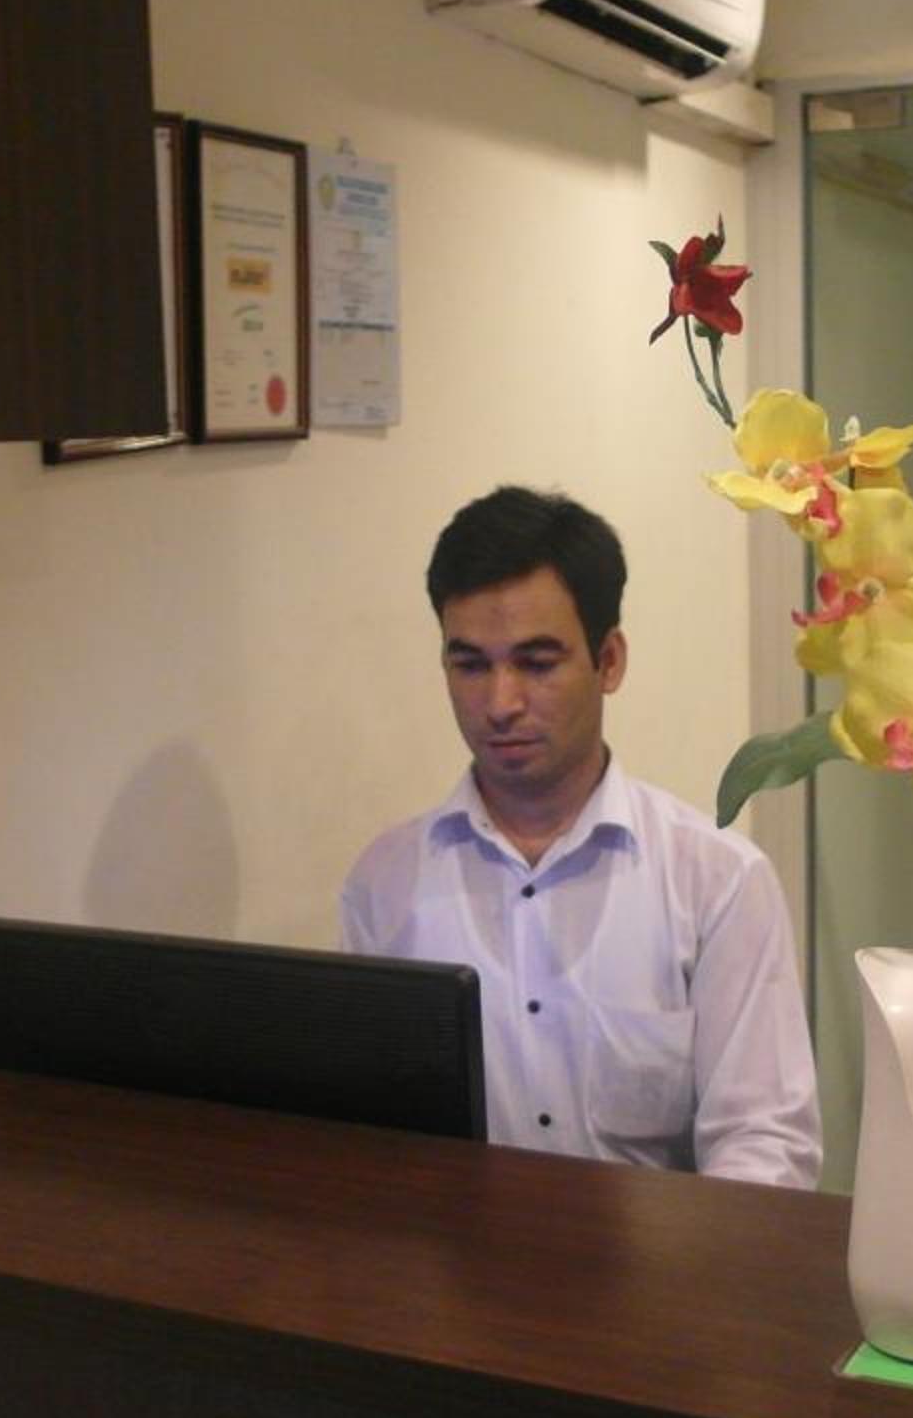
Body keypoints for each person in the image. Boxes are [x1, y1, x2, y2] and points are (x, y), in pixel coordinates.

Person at [340, 486, 821, 1188]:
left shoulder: (716, 882)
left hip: (659, 1256)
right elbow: (369, 1135)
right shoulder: (385, 883)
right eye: (470, 665)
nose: (500, 703)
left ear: (609, 661)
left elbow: (766, 1143)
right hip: (452, 1253)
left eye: (537, 664)